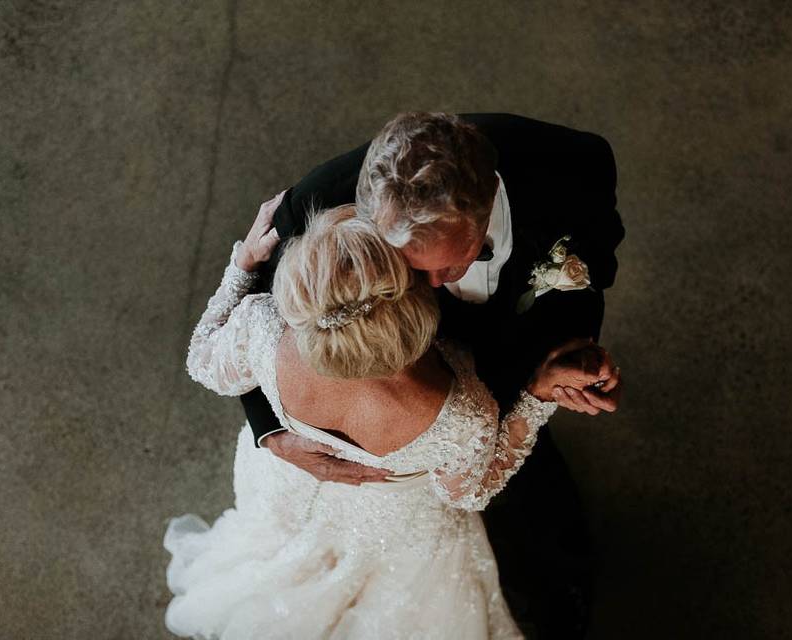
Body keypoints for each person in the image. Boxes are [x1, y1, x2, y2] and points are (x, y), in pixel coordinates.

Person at [242, 113, 625, 637]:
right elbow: (252, 310)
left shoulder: (574, 165)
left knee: (538, 514)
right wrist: (271, 429)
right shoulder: (318, 202)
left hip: (517, 358)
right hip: (390, 383)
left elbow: (595, 263)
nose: (428, 289)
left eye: (447, 266)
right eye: (408, 269)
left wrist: (570, 352)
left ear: (487, 200)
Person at [165, 203, 609, 638]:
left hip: (285, 487)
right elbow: (472, 490)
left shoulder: (263, 328)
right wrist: (535, 398)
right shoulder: (459, 408)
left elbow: (203, 358)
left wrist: (242, 264)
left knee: (284, 554)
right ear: (415, 311)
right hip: (394, 521)